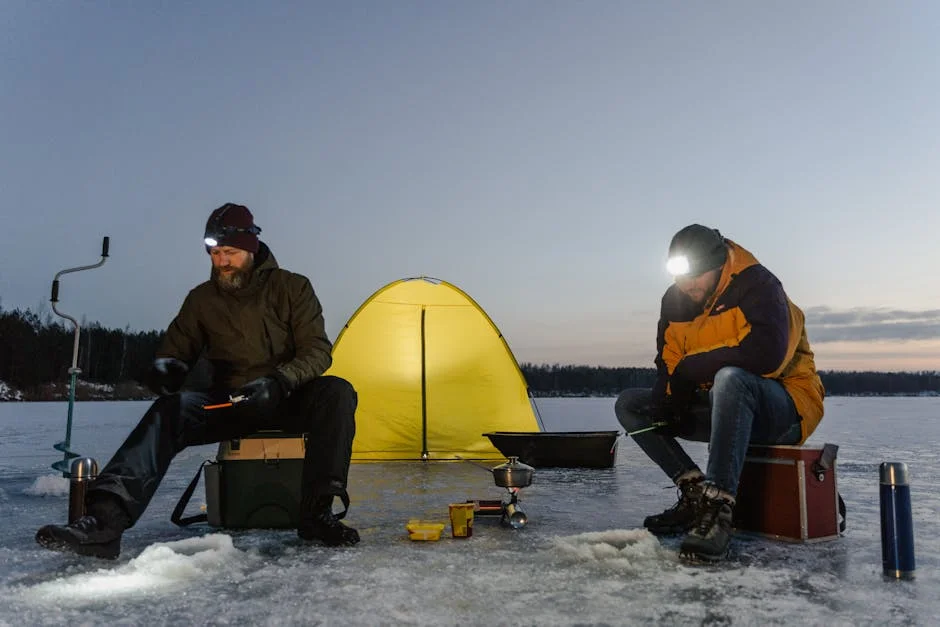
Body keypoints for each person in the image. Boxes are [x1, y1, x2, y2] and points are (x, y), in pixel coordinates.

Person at [37, 203, 360, 559]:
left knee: (337, 393)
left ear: (251, 248)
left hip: (285, 394)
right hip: (232, 402)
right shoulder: (201, 300)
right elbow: (177, 348)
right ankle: (103, 523)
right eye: (215, 253)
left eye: (231, 253)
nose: (222, 261)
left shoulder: (293, 288)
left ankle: (317, 514)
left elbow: (317, 351)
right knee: (169, 411)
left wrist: (281, 380)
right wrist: (167, 367)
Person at [615, 224, 824, 561]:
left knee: (731, 378)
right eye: (682, 276)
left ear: (720, 265)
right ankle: (694, 492)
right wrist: (669, 398)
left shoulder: (759, 285)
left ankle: (719, 507)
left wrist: (689, 371)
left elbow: (766, 356)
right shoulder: (675, 300)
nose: (688, 285)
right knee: (630, 405)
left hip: (786, 408)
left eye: (697, 276)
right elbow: (668, 360)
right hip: (724, 407)